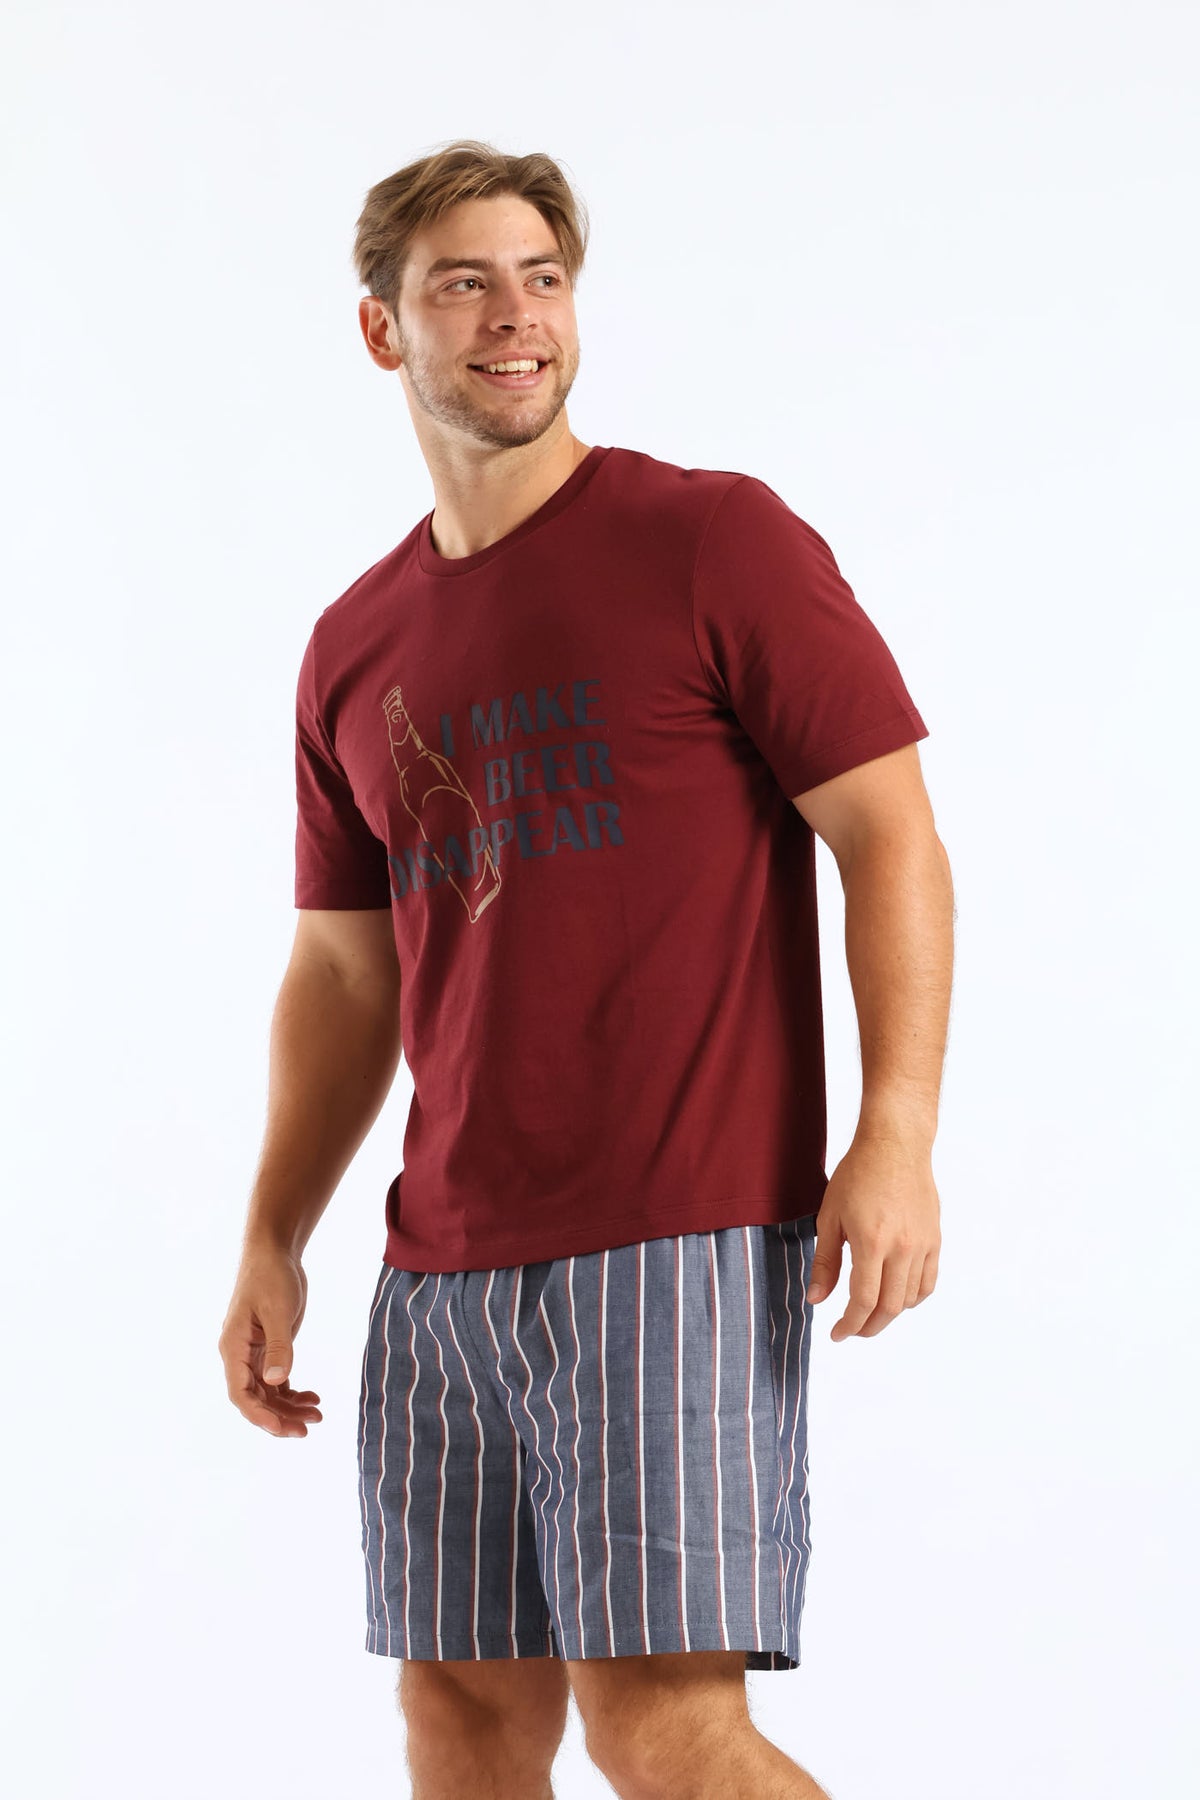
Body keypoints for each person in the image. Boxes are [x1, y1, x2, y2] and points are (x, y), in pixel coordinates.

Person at [218, 137, 955, 1800]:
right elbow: (344, 977)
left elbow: (891, 834)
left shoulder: (711, 539)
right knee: (461, 1721)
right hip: (443, 1265)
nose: (515, 317)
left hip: (676, 1235)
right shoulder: (352, 646)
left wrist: (897, 1133)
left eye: (542, 279)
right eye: (464, 285)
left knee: (662, 1724)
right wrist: (273, 1231)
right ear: (382, 330)